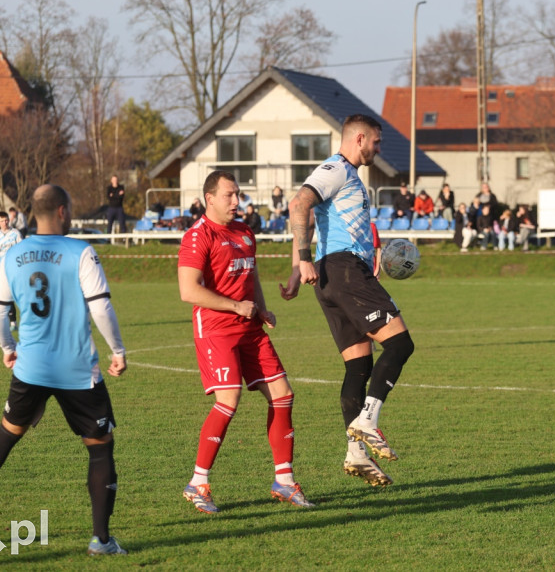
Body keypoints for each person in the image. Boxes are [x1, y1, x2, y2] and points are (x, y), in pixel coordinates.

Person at [0, 185, 128, 556]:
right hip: (76, 369)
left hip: (30, 367)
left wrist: (7, 348)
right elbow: (101, 309)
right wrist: (118, 351)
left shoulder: (12, 254)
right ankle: (101, 540)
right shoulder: (81, 251)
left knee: (7, 433)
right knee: (99, 450)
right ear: (63, 211)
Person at [281, 113, 417, 488]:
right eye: (376, 141)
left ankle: (356, 454)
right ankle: (368, 421)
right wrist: (304, 258)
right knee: (400, 343)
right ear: (359, 138)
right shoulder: (336, 168)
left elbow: (308, 220)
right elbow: (299, 205)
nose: (378, 147)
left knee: (358, 367)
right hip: (343, 270)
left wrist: (298, 265)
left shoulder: (348, 176)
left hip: (330, 276)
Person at [178, 171, 314, 513]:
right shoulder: (197, 236)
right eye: (229, 195)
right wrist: (236, 305)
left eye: (237, 194)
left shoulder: (244, 232)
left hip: (250, 327)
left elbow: (250, 274)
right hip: (215, 327)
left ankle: (283, 481)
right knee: (229, 399)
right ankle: (198, 483)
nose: (237, 201)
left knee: (282, 394)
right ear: (210, 199)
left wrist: (262, 308)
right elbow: (188, 290)